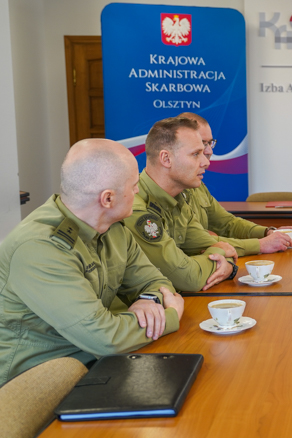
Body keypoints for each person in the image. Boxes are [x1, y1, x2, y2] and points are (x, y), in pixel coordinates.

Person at [0, 139, 185, 385]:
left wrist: (148, 301)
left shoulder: (112, 228)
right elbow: (106, 338)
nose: (138, 192)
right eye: (134, 185)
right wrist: (170, 315)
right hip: (36, 384)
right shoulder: (40, 249)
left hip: (94, 364)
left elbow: (157, 283)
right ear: (107, 199)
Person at [123, 117, 241, 292]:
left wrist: (228, 264)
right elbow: (189, 278)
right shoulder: (136, 210)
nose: (206, 162)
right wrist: (219, 253)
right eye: (195, 154)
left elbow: (217, 247)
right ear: (166, 159)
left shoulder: (178, 197)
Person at [176, 112, 292, 256]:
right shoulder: (171, 191)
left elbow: (227, 223)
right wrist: (261, 244)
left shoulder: (197, 185)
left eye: (210, 143)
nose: (209, 151)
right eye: (203, 144)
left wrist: (267, 232)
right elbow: (199, 241)